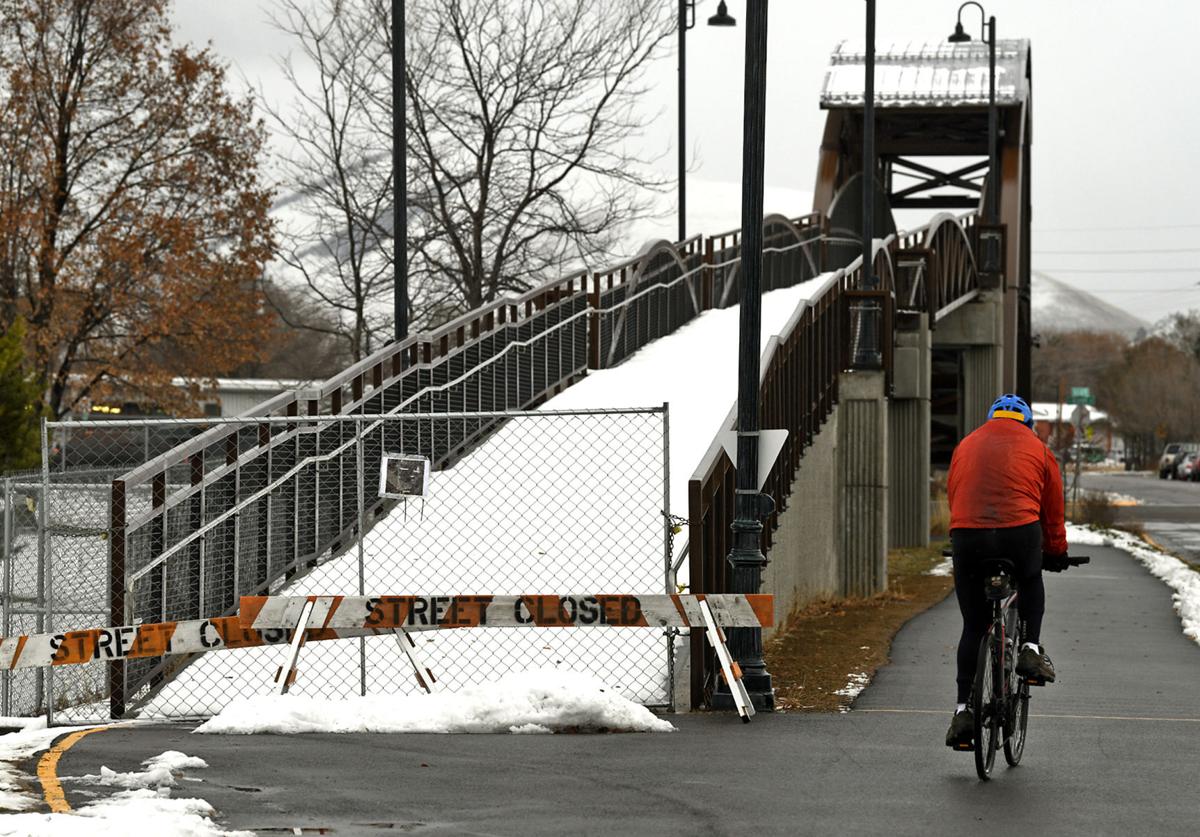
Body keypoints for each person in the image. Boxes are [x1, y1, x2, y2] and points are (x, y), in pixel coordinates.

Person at [943, 393, 1069, 749]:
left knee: (974, 626)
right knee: (1030, 579)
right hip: (1019, 533)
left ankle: (963, 711)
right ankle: (1029, 647)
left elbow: (956, 494)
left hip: (968, 536)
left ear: (990, 419)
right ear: (1027, 424)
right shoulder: (1038, 448)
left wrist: (964, 533)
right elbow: (1052, 508)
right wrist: (1056, 551)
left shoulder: (966, 444)